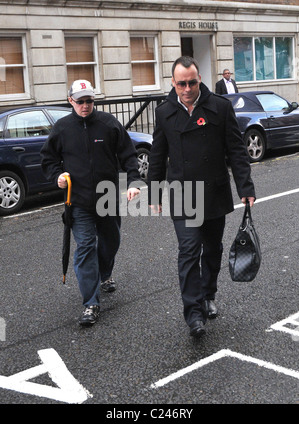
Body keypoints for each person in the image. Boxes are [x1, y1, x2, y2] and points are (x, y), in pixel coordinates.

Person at [148, 56, 255, 338]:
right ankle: (193, 313)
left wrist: (246, 188)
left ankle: (208, 295)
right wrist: (154, 190)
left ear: (199, 80)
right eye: (181, 83)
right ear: (173, 83)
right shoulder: (164, 112)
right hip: (183, 193)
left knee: (213, 249)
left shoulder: (220, 107)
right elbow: (158, 154)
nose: (186, 88)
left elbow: (236, 150)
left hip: (214, 190)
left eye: (191, 82)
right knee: (188, 251)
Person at [41, 79, 140, 326]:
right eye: (80, 101)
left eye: (89, 101)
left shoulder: (108, 124)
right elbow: (49, 159)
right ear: (70, 101)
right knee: (85, 247)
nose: (85, 106)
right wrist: (57, 176)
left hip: (107, 197)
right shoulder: (62, 128)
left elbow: (128, 154)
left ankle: (104, 274)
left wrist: (134, 181)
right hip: (78, 202)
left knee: (110, 242)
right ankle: (91, 303)